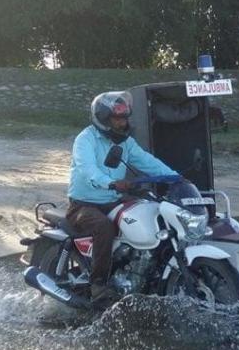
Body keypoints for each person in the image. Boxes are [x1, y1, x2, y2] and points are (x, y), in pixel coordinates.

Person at [67, 91, 179, 308]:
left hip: (113, 199)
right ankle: (98, 285)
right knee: (103, 227)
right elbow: (87, 169)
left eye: (124, 117)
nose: (122, 122)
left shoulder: (126, 142)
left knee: (149, 211)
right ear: (103, 118)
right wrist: (110, 182)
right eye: (117, 118)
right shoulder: (85, 140)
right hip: (83, 204)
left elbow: (147, 161)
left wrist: (175, 176)